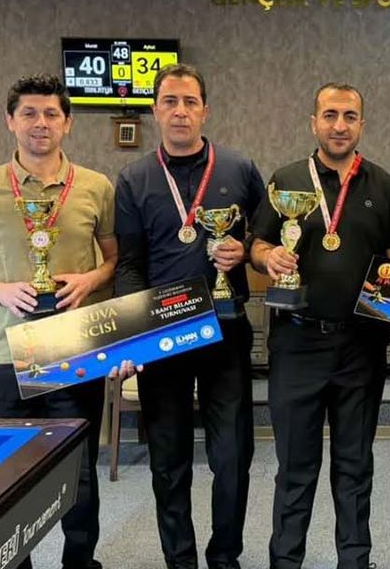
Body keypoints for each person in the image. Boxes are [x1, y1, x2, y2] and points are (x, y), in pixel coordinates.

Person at [0, 74, 122, 569]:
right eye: (29, 114)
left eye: (51, 114)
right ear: (10, 121)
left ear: (67, 123)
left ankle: (80, 563)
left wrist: (90, 279)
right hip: (1, 352)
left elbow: (114, 261)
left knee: (78, 472)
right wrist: (0, 290)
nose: (40, 123)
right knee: (1, 474)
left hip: (71, 348)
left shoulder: (96, 187)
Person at [249, 82, 390, 569]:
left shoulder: (384, 186)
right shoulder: (285, 179)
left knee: (355, 466)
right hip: (296, 342)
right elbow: (257, 246)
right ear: (314, 122)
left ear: (362, 124)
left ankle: (355, 561)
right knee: (294, 469)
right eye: (329, 115)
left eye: (349, 116)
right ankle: (285, 561)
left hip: (361, 346)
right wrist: (269, 257)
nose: (339, 125)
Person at [114, 63, 265, 569]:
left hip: (226, 328)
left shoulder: (239, 169)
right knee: (169, 458)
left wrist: (245, 251)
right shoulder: (133, 178)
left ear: (205, 110)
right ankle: (179, 560)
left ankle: (225, 558)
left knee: (232, 457)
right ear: (155, 110)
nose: (180, 111)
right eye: (170, 101)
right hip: (163, 335)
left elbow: (263, 239)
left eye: (190, 102)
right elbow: (129, 265)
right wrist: (133, 338)